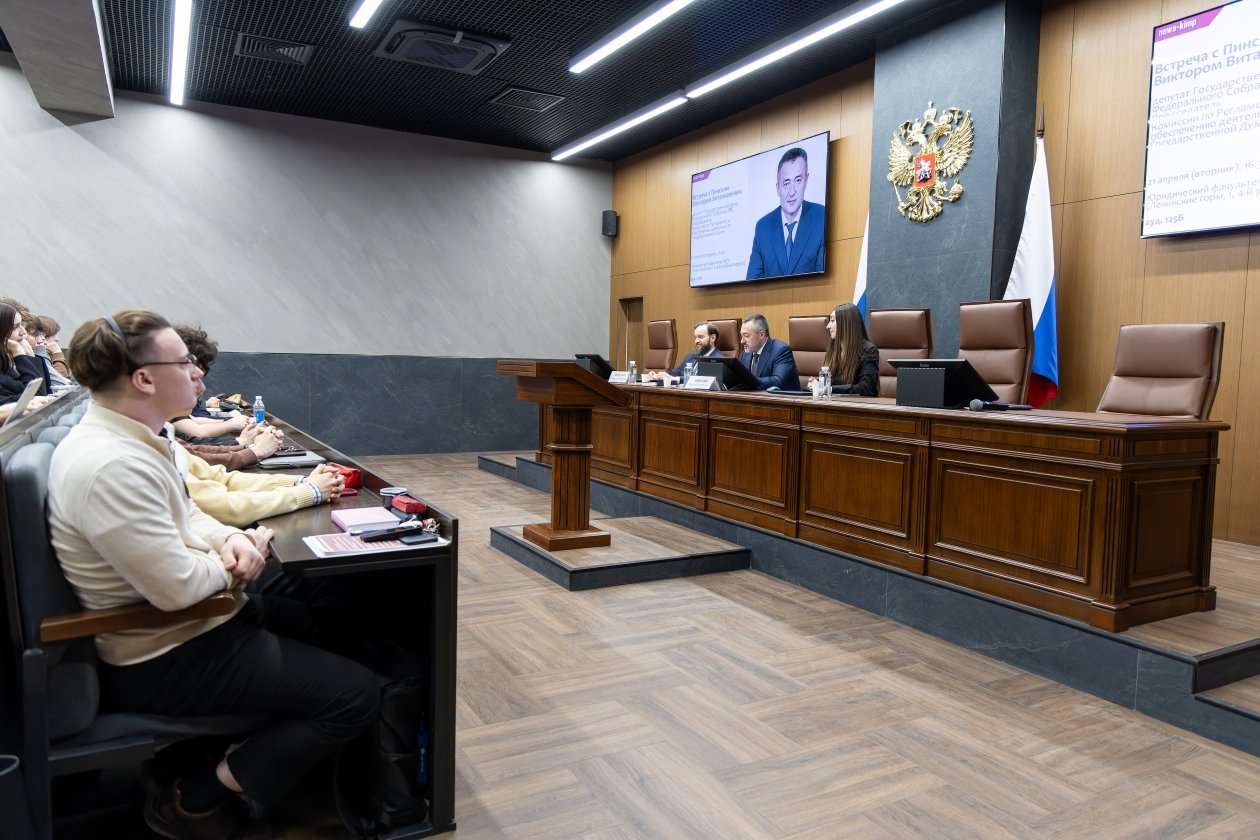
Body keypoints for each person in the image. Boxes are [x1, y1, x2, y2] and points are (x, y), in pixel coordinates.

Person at [47, 310, 380, 839]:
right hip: (166, 651)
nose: (197, 372)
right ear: (144, 379)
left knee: (339, 629)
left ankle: (300, 773)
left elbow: (191, 514)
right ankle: (195, 798)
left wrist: (230, 540)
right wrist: (236, 564)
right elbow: (178, 589)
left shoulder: (139, 436)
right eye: (184, 362)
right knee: (356, 696)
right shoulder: (111, 463)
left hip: (200, 620)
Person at [746, 147, 826, 279]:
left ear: (806, 181)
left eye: (798, 180)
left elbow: (822, 281)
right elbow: (752, 282)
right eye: (786, 183)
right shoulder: (762, 227)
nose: (792, 192)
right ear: (777, 188)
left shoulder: (821, 217)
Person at [806, 303, 880, 397]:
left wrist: (828, 388)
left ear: (845, 324)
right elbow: (833, 381)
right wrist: (816, 384)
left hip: (858, 404)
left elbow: (865, 388)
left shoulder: (869, 350)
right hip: (833, 402)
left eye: (832, 321)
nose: (828, 326)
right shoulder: (833, 350)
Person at [0, 302, 50, 403]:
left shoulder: (6, 364)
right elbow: (36, 394)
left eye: (22, 325)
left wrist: (30, 355)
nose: (23, 332)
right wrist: (18, 352)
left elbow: (44, 392)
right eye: (15, 327)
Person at [738, 313, 800, 391]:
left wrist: (750, 381)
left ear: (761, 335)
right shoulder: (745, 354)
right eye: (742, 336)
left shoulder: (781, 350)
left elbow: (778, 381)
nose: (742, 341)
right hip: (754, 397)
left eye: (746, 336)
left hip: (782, 398)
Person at [647, 321, 724, 381]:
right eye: (695, 337)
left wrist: (674, 379)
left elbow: (701, 380)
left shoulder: (719, 360)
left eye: (700, 337)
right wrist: (659, 375)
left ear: (712, 338)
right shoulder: (690, 356)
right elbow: (675, 372)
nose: (696, 341)